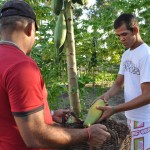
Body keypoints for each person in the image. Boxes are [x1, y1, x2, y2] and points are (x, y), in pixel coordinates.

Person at [0, 0, 111, 150]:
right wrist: (88, 134)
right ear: (30, 28)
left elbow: (7, 109)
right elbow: (35, 137)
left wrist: (49, 114)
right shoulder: (22, 66)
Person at [95, 13, 150, 150]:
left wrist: (114, 109)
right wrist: (106, 96)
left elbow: (147, 95)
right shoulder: (126, 55)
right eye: (118, 35)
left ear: (135, 30)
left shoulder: (146, 55)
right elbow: (118, 83)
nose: (121, 39)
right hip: (131, 116)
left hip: (144, 120)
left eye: (124, 34)